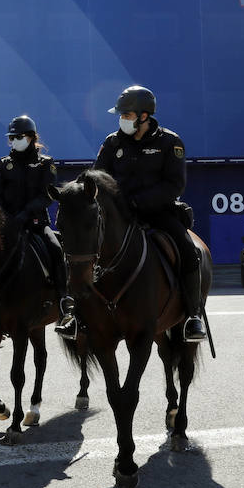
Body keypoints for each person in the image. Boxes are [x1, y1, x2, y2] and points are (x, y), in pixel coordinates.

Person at [69, 85, 206, 342]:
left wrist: (139, 202)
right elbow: (98, 177)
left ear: (144, 116)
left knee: (189, 251)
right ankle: (76, 315)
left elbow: (174, 185)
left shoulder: (169, 142)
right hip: (118, 217)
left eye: (128, 115)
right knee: (82, 248)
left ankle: (192, 316)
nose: (122, 120)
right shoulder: (112, 143)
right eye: (121, 115)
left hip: (157, 213)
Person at [0, 115, 72, 327]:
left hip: (36, 222)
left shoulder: (45, 164)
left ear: (31, 137)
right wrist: (5, 218)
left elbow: (47, 195)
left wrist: (25, 214)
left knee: (55, 248)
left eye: (19, 136)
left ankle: (63, 300)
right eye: (12, 137)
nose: (14, 140)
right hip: (8, 224)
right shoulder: (4, 164)